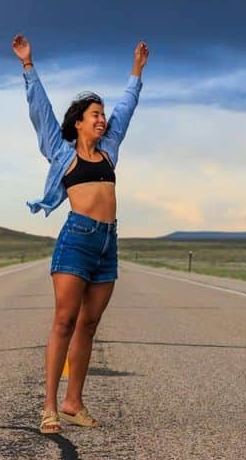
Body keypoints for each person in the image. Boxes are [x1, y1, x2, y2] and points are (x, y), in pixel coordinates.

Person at [11, 33, 148, 434]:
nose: (103, 119)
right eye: (95, 114)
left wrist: (137, 70)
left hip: (108, 242)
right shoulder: (61, 152)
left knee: (89, 325)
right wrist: (28, 66)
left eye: (103, 114)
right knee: (64, 322)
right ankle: (49, 406)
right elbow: (40, 111)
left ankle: (74, 402)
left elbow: (128, 108)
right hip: (77, 240)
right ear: (78, 122)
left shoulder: (111, 149)